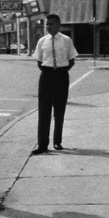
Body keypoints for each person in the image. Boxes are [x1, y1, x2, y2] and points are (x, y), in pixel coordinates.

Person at [31, 14, 78, 155]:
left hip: (61, 76)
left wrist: (61, 72)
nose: (48, 27)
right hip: (46, 76)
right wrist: (49, 71)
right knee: (44, 110)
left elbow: (71, 60)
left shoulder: (66, 40)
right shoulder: (42, 41)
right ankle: (42, 144)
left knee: (59, 110)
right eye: (47, 24)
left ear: (58, 25)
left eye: (51, 24)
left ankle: (57, 141)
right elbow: (39, 61)